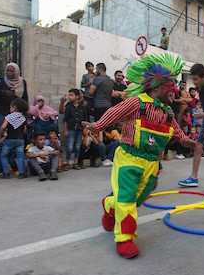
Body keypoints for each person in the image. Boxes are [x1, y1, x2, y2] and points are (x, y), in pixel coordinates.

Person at [83, 53, 195, 259]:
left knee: (137, 199)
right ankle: (124, 238)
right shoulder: (136, 103)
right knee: (126, 197)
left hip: (152, 163)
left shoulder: (167, 111)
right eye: (169, 84)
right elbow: (113, 113)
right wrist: (97, 125)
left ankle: (109, 206)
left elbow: (175, 128)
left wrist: (184, 139)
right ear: (154, 86)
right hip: (129, 158)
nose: (174, 89)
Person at [0, 63, 28, 132]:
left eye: (12, 71)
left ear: (17, 72)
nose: (9, 73)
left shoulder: (22, 82)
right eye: (8, 70)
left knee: (15, 132)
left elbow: (24, 97)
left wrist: (24, 112)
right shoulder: (0, 81)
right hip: (0, 110)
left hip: (15, 111)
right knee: (2, 129)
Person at [0, 98, 29, 179]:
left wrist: (0, 135)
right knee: (20, 156)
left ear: (14, 107)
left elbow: (3, 127)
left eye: (10, 107)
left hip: (10, 139)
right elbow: (24, 130)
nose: (10, 109)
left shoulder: (9, 117)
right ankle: (22, 173)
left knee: (4, 155)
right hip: (20, 139)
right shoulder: (23, 117)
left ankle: (6, 173)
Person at [63, 89, 90, 170]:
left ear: (77, 97)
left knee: (78, 146)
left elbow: (85, 119)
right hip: (71, 129)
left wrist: (85, 129)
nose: (70, 97)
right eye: (69, 95)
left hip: (80, 129)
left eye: (72, 95)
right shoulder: (68, 107)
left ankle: (76, 162)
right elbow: (65, 119)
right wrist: (65, 130)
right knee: (70, 146)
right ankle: (67, 162)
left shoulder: (82, 107)